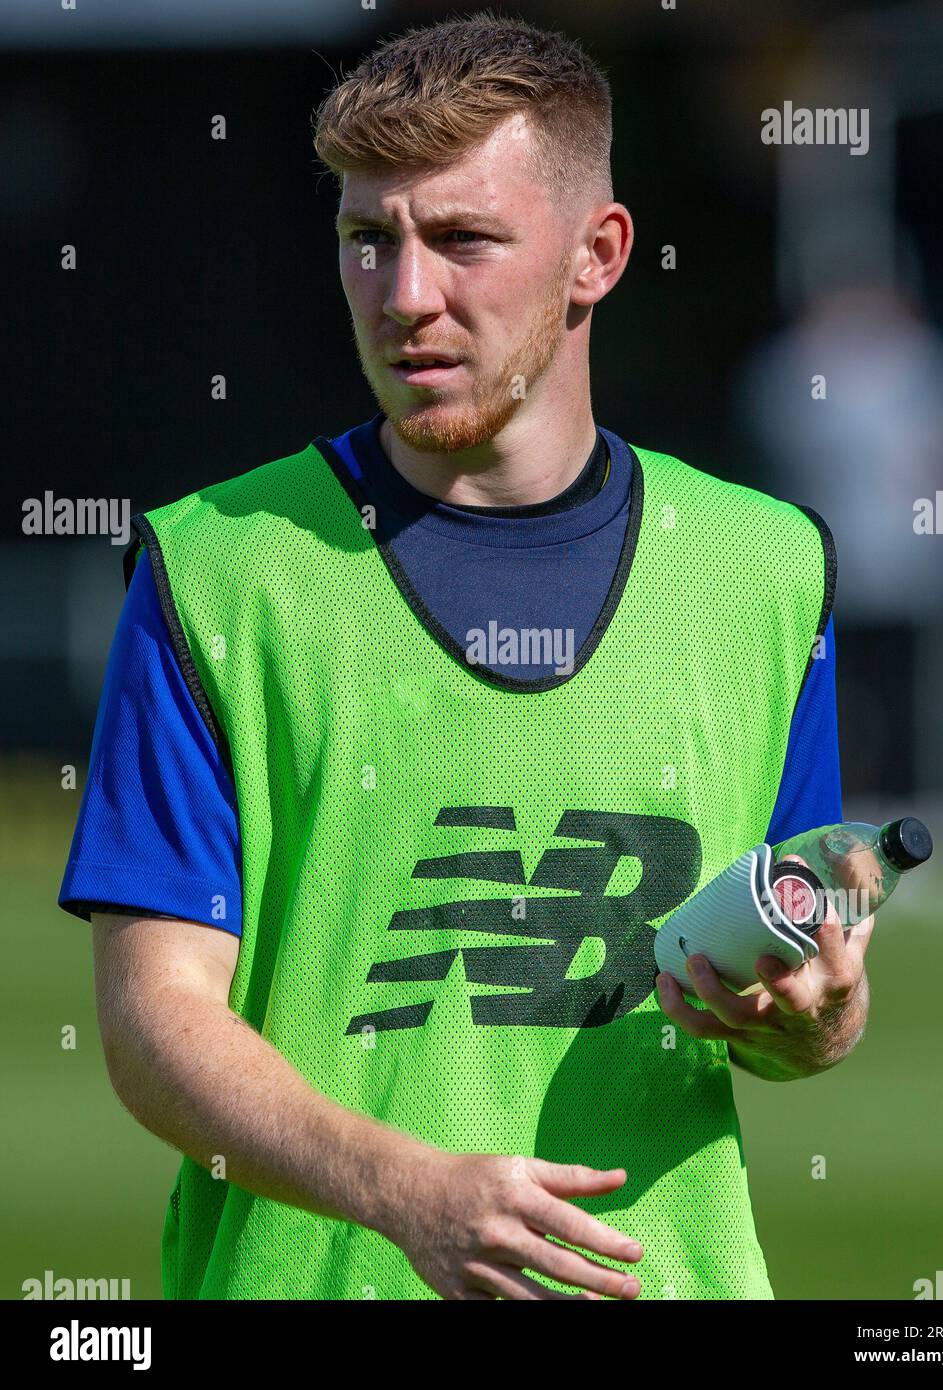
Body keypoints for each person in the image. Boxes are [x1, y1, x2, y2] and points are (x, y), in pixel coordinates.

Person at [59, 11, 867, 1301]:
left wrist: (817, 1020)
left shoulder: (765, 570)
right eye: (367, 240)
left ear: (595, 256)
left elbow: (794, 1001)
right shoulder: (217, 572)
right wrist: (404, 1192)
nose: (405, 295)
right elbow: (156, 1026)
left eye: (463, 240)